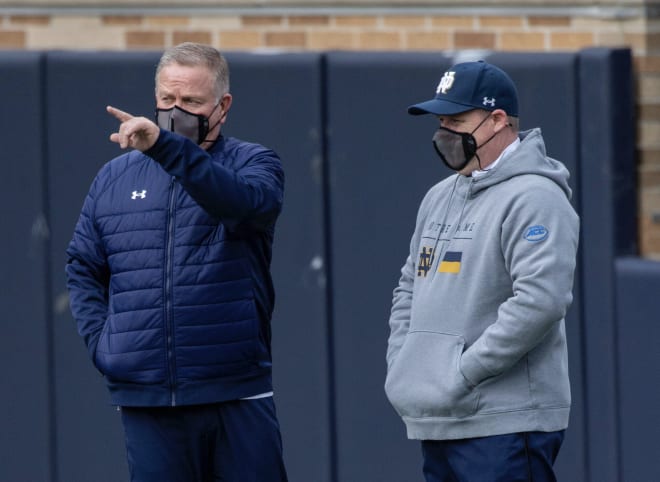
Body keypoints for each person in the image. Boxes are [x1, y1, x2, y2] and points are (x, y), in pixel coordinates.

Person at [65, 42, 288, 482]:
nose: (175, 111)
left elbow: (244, 207)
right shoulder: (115, 176)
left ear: (222, 106)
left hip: (234, 394)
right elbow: (82, 267)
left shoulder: (254, 162)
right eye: (167, 100)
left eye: (190, 102)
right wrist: (106, 346)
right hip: (147, 398)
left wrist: (166, 149)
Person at [384, 60, 579, 482]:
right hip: (439, 417)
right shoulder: (439, 195)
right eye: (441, 121)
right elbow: (408, 288)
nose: (445, 133)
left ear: (497, 120)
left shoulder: (536, 196)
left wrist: (461, 373)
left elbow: (540, 303)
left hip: (505, 423)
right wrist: (406, 363)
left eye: (457, 120)